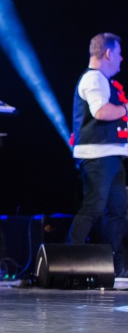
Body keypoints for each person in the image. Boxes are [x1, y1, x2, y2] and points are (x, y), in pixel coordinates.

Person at [68, 33, 128, 276]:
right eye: (119, 54)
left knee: (117, 210)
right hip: (97, 155)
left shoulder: (104, 80)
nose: (122, 59)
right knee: (94, 206)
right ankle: (70, 261)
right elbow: (101, 112)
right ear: (108, 53)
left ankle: (116, 266)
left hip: (112, 155)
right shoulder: (93, 78)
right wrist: (126, 108)